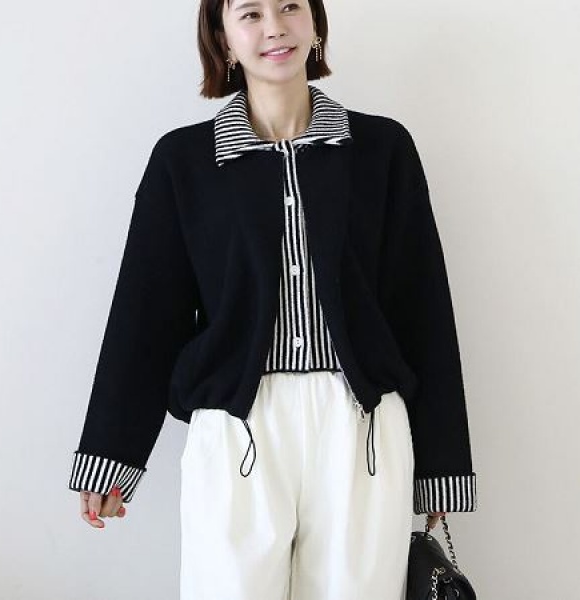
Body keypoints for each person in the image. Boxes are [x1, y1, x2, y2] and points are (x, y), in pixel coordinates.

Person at [68, 0, 477, 598]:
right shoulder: (184, 161)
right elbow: (146, 313)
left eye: (289, 6)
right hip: (236, 429)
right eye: (251, 14)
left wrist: (441, 469)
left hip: (361, 427)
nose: (275, 27)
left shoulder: (382, 148)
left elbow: (423, 309)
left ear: (315, 23)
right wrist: (111, 456)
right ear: (223, 38)